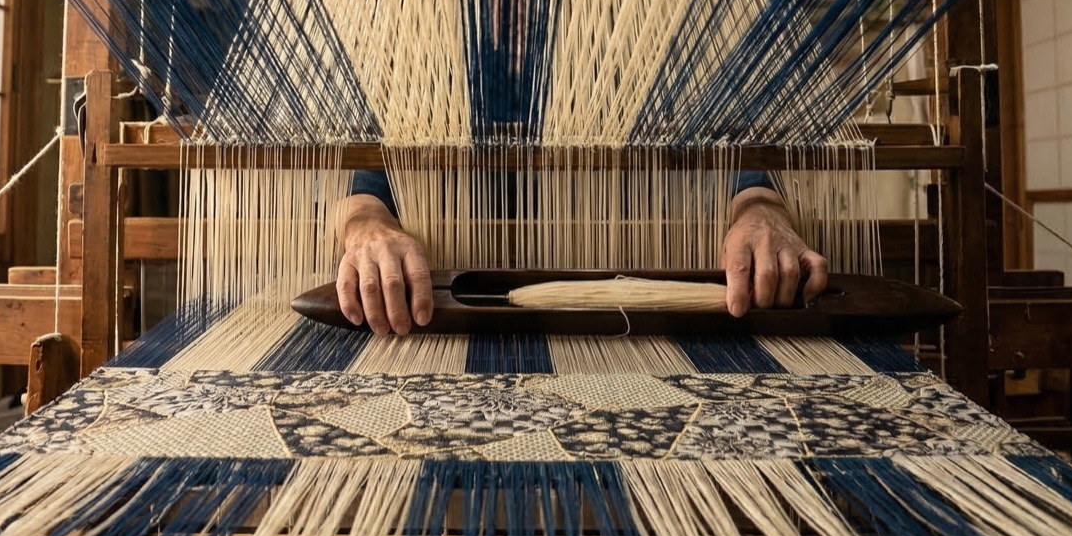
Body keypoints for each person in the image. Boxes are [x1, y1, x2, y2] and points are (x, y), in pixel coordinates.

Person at [335, 169, 829, 334]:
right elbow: (369, 193)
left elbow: (746, 157)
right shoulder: (424, 48)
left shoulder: (653, 16)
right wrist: (365, 227)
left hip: (653, 333)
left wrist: (762, 209)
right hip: (461, 329)